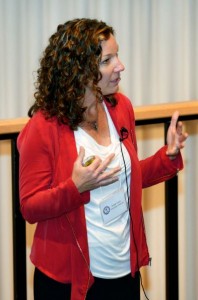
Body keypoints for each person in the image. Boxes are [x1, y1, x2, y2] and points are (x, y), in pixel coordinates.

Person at [17, 18, 188, 300]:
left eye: (117, 56)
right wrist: (75, 188)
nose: (120, 66)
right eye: (108, 60)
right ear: (80, 71)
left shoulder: (121, 108)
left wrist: (167, 156)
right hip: (69, 282)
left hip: (124, 273)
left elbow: (125, 178)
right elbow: (30, 207)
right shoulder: (43, 126)